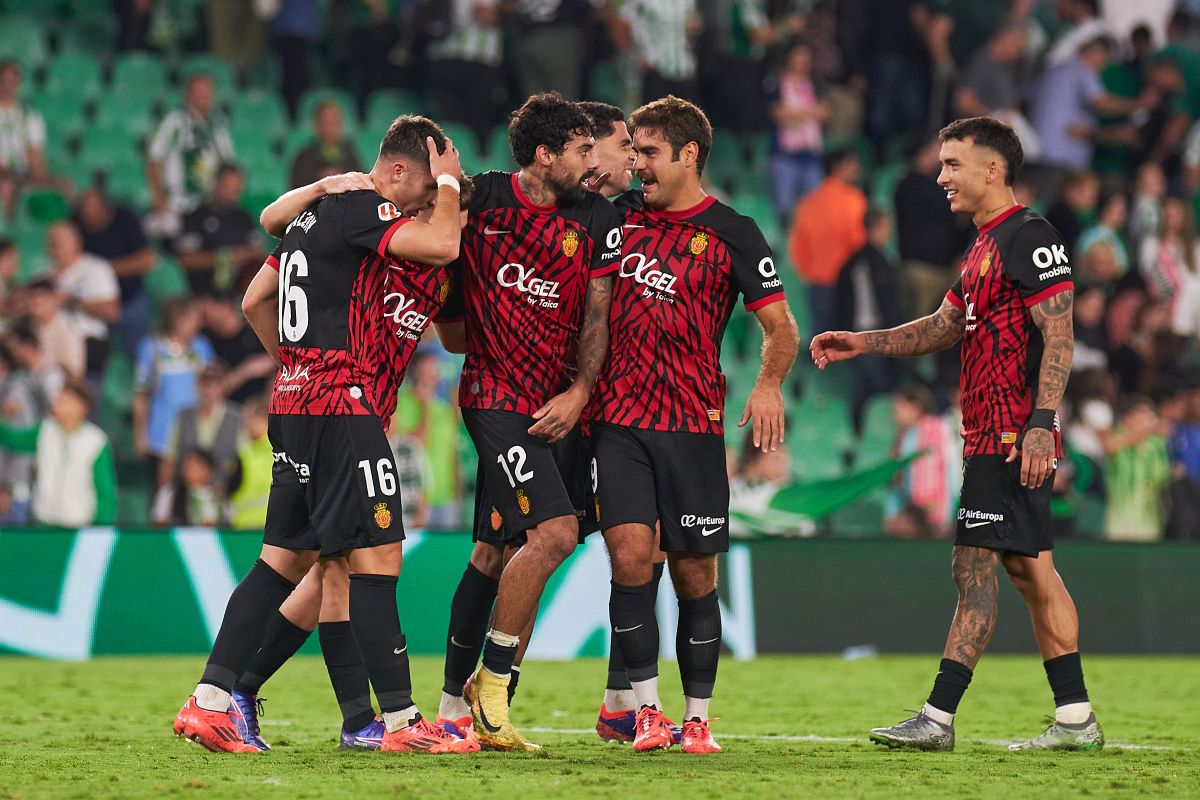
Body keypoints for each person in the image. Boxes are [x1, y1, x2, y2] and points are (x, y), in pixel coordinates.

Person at [171, 116, 475, 755]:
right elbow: (442, 245)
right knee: (376, 554)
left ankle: (213, 701)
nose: (426, 203)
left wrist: (295, 369)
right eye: (420, 188)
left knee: (288, 560)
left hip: (299, 402)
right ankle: (399, 722)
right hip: (342, 405)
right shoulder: (370, 213)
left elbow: (259, 290)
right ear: (395, 172)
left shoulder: (322, 216)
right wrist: (447, 183)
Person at [811, 116, 1103, 751]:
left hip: (1010, 436)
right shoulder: (982, 246)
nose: (941, 176)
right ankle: (1076, 718)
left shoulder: (1030, 235)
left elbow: (1059, 334)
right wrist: (863, 341)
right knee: (1032, 574)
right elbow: (944, 326)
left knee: (974, 566)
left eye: (951, 164)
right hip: (990, 435)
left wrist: (1040, 426)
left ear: (991, 170)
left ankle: (938, 718)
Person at [592, 96, 798, 754]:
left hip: (693, 426)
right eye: (633, 151)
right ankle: (645, 712)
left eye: (648, 152)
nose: (637, 164)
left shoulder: (735, 232)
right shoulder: (616, 218)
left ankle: (698, 717)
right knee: (629, 558)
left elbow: (781, 327)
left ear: (689, 156)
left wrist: (768, 385)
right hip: (620, 418)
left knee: (695, 578)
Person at [439, 92, 622, 753]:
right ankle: (481, 693)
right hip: (494, 398)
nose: (592, 160)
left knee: (527, 552)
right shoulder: (480, 199)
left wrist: (579, 392)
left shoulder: (596, 216)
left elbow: (598, 316)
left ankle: (490, 702)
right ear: (544, 155)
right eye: (580, 150)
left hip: (558, 408)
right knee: (552, 534)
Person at [0, 381, 116, 528]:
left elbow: (104, 492)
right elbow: (10, 439)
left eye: (63, 400)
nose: (55, 404)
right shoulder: (45, 432)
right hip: (43, 524)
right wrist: (5, 415)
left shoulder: (96, 442)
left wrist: (100, 529)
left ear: (80, 407)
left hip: (78, 527)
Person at [788, 149, 866, 338]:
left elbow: (797, 245)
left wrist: (810, 272)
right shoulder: (854, 199)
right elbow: (859, 241)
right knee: (849, 338)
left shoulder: (809, 202)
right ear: (839, 168)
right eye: (852, 164)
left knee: (822, 340)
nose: (857, 169)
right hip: (848, 281)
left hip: (818, 282)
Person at [133, 297, 215, 478]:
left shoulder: (202, 348)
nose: (197, 324)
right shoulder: (152, 348)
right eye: (192, 318)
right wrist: (140, 435)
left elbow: (212, 388)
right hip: (160, 434)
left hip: (194, 434)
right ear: (177, 318)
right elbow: (141, 393)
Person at [146, 72, 236, 236]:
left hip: (208, 205)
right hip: (176, 203)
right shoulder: (174, 121)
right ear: (188, 95)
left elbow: (228, 164)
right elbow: (154, 159)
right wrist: (159, 199)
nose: (202, 95)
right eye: (197, 91)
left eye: (206, 91)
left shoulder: (218, 126)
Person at [73, 186, 156, 362]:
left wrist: (103, 270)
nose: (87, 217)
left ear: (105, 210)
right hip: (94, 305)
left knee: (137, 357)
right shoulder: (77, 226)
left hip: (130, 300)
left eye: (92, 211)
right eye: (84, 212)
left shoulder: (125, 220)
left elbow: (147, 260)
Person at [835, 208, 901, 426]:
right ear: (879, 228)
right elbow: (880, 303)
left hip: (858, 332)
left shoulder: (854, 261)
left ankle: (861, 429)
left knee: (863, 386)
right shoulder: (875, 262)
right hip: (872, 333)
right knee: (880, 386)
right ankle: (868, 430)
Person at [895, 138, 973, 319]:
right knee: (926, 331)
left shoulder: (904, 185)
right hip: (930, 270)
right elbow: (958, 218)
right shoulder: (926, 188)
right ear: (923, 154)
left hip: (915, 265)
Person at [44, 221, 121, 391]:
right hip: (51, 348)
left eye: (59, 240)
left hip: (87, 344)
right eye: (51, 240)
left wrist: (72, 300)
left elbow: (111, 311)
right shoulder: (43, 275)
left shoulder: (95, 269)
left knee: (84, 404)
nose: (54, 245)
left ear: (76, 242)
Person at [176, 163, 265, 295]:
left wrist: (244, 255)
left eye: (237, 184)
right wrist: (226, 257)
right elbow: (187, 260)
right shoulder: (195, 217)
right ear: (216, 183)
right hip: (202, 294)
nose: (233, 189)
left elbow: (257, 251)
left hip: (240, 291)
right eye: (228, 184)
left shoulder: (244, 217)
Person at [767, 41, 829, 226]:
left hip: (811, 155)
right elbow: (779, 114)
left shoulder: (816, 83)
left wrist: (795, 113)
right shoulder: (777, 82)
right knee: (784, 208)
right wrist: (810, 112)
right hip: (785, 155)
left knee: (813, 210)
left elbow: (825, 112)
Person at [160, 364, 242, 498]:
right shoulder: (184, 416)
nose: (209, 391)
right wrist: (164, 495)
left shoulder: (236, 418)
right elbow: (169, 458)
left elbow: (244, 459)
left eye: (214, 385)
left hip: (223, 494)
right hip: (186, 496)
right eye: (205, 384)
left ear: (223, 387)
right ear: (197, 387)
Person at [1102, 396, 1169, 542]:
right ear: (1127, 418)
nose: (1149, 419)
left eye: (1151, 415)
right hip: (1118, 525)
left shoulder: (1157, 444)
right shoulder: (1117, 436)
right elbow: (1108, 447)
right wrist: (1138, 434)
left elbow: (1162, 477)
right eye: (1143, 414)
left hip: (1149, 524)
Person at [199, 292, 277, 405]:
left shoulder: (256, 333)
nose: (204, 318)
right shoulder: (210, 342)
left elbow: (274, 364)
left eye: (206, 312)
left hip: (260, 410)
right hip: (228, 411)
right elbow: (214, 388)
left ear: (224, 305)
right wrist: (246, 370)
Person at [0, 59, 48, 221]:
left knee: (61, 189)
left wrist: (39, 179)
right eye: (4, 79)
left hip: (22, 175)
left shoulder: (30, 116)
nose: (8, 84)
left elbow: (35, 155)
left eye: (13, 80)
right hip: (3, 175)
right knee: (6, 188)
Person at [21, 278, 85, 380]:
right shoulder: (23, 327)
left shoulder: (67, 330)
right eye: (32, 296)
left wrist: (41, 365)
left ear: (55, 301)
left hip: (57, 385)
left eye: (43, 297)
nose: (37, 301)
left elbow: (75, 373)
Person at [290, 101, 363, 189]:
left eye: (335, 121)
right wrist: (321, 182)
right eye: (326, 122)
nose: (332, 127)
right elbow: (297, 192)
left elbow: (361, 183)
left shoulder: (349, 152)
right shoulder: (304, 157)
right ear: (316, 124)